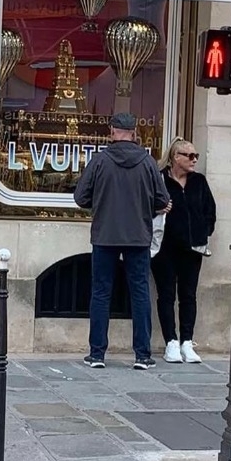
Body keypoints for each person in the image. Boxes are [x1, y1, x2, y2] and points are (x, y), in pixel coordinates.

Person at [74, 111, 170, 371]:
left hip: (105, 234)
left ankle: (97, 354)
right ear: (134, 133)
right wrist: (145, 207)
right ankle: (142, 355)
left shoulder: (100, 161)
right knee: (140, 293)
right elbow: (162, 200)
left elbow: (80, 197)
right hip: (138, 235)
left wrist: (101, 203)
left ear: (112, 132)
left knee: (101, 293)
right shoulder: (148, 162)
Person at [152, 137, 216, 365]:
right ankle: (171, 341)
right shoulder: (160, 180)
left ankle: (187, 341)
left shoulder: (199, 181)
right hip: (164, 248)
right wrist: (158, 209)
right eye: (189, 156)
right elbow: (145, 206)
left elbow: (210, 210)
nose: (194, 160)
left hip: (193, 247)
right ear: (175, 157)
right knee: (166, 294)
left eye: (195, 156)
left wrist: (204, 231)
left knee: (188, 295)